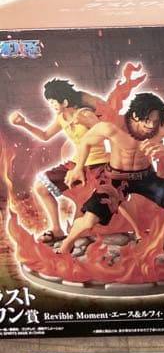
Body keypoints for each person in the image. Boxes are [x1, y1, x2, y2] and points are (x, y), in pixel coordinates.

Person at [61, 92, 164, 255]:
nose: (151, 125)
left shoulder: (162, 126)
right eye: (147, 120)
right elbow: (86, 142)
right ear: (135, 115)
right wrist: (78, 168)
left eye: (155, 121)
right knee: (89, 221)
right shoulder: (112, 125)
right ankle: (66, 244)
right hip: (115, 178)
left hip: (146, 177)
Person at [8, 79, 108, 243]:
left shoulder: (85, 114)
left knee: (104, 197)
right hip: (76, 163)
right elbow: (45, 136)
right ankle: (56, 229)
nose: (51, 106)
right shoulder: (62, 117)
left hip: (97, 162)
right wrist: (24, 124)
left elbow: (106, 132)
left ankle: (134, 230)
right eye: (50, 102)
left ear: (65, 102)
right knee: (41, 187)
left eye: (53, 102)